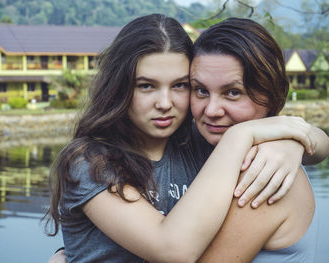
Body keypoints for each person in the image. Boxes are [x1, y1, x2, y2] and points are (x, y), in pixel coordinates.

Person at [45, 14, 328, 263]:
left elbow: (320, 144)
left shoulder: (200, 143)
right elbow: (173, 249)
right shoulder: (91, 162)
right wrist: (244, 134)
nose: (165, 103)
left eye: (181, 85)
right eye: (146, 86)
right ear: (119, 87)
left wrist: (292, 142)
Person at [189, 17, 329, 262]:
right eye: (201, 90)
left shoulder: (263, 171)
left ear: (272, 96)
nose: (211, 110)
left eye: (233, 92)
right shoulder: (203, 148)